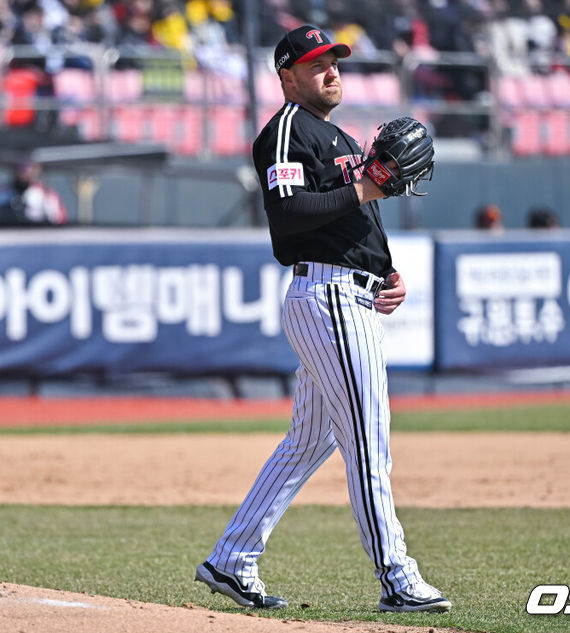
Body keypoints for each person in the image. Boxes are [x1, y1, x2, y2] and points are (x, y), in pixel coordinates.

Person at [193, 25, 451, 614]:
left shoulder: (335, 134)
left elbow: (356, 214)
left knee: (308, 440)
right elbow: (289, 213)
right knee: (367, 439)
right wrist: (365, 187)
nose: (331, 71)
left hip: (350, 292)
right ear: (287, 77)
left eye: (334, 62)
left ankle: (232, 557)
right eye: (315, 65)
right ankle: (397, 576)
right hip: (327, 297)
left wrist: (386, 269)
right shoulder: (285, 130)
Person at [0, 159, 68, 225]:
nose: (25, 170)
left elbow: (61, 223)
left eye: (30, 166)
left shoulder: (48, 196)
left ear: (38, 168)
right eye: (22, 166)